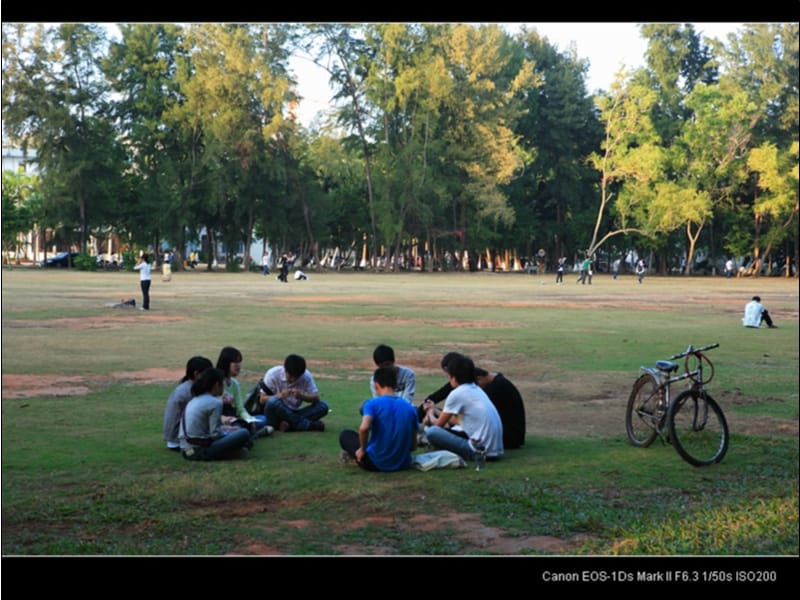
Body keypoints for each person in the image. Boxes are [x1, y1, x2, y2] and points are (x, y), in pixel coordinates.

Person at [424, 355, 504, 463]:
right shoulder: (476, 389)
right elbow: (459, 420)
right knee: (451, 429)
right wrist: (435, 410)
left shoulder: (457, 393)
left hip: (478, 451)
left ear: (453, 377)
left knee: (431, 432)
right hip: (494, 450)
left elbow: (438, 426)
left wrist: (430, 412)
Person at [339, 366, 419, 471]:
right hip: (402, 463)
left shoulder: (372, 404)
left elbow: (364, 428)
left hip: (376, 463)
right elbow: (413, 446)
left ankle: (363, 453)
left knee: (346, 435)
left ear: (376, 385)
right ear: (395, 385)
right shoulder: (410, 408)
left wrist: (363, 449)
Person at [179, 367, 252, 460]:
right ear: (217, 385)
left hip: (185, 450)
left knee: (236, 432)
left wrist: (226, 428)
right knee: (244, 433)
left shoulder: (195, 399)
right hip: (198, 450)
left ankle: (232, 452)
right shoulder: (215, 402)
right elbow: (215, 434)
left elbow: (206, 428)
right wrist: (228, 433)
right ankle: (232, 452)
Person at [259, 354, 328, 432]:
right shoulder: (272, 374)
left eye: (296, 377)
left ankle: (289, 424)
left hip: (294, 411)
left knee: (323, 406)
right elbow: (262, 399)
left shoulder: (306, 376)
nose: (293, 379)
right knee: (272, 401)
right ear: (285, 369)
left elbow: (316, 398)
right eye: (290, 376)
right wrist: (280, 395)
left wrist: (302, 396)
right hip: (276, 414)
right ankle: (308, 425)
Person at [217, 346, 272, 437]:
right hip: (219, 420)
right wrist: (221, 418)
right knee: (239, 429)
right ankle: (253, 434)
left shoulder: (234, 383)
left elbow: (240, 408)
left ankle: (246, 432)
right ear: (226, 363)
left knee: (263, 419)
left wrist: (249, 420)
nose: (238, 366)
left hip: (233, 418)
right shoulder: (216, 382)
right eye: (235, 362)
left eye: (239, 362)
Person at [163, 356, 214, 451]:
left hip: (173, 438)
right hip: (180, 440)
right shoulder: (191, 391)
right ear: (197, 374)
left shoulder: (185, 386)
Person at [474, 368, 526, 449]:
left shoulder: (495, 388)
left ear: (479, 378)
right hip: (512, 435)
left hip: (509, 437)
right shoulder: (498, 382)